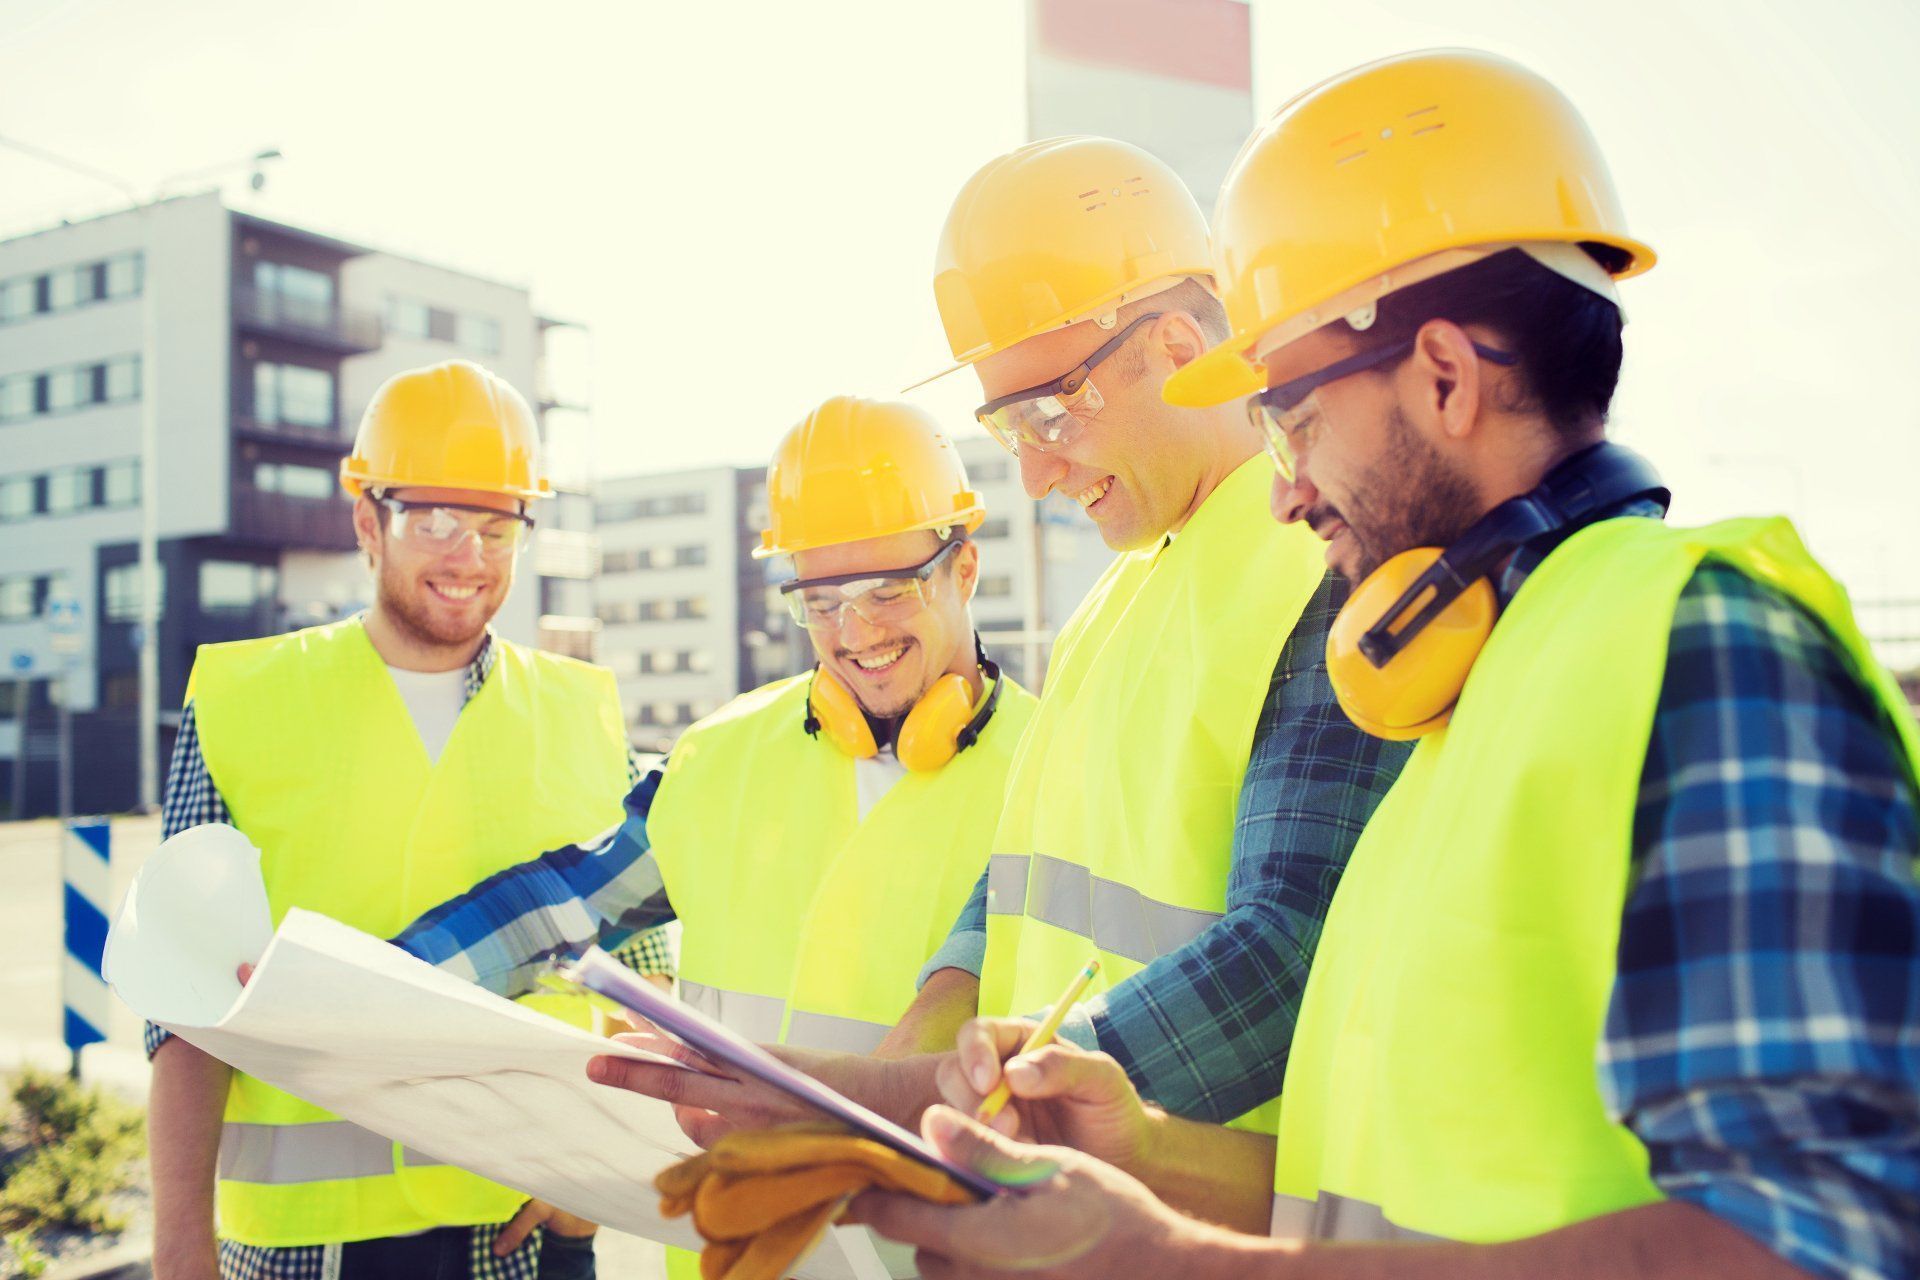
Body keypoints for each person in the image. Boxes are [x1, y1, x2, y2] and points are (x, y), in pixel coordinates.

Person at [846, 49, 1920, 1280]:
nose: (1287, 489)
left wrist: (1180, 1263)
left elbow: (1840, 1238)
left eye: (1294, 420)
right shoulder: (1469, 694)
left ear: (1449, 376)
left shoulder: (1702, 648)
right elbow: (1374, 1196)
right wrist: (1138, 1150)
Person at [585, 136, 1409, 1152]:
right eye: (1008, 428)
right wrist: (915, 1052)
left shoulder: (1319, 577)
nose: (1037, 474)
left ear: (1182, 351)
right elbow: (1021, 878)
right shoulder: (1119, 598)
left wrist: (935, 1100)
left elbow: (1287, 961)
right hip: (1049, 1200)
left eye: (1050, 413)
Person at [386, 397, 1038, 1278]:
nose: (857, 633)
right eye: (821, 601)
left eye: (890, 590)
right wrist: (363, 986)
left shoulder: (1047, 770)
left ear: (963, 569)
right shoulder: (724, 755)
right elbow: (559, 907)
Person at [147, 360, 666, 1280]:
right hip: (304, 1250)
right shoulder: (242, 701)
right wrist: (180, 1250)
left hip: (526, 1232)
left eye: (496, 524)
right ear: (366, 522)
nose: (468, 556)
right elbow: (182, 1008)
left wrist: (594, 1171)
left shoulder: (581, 708)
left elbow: (645, 984)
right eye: (434, 519)